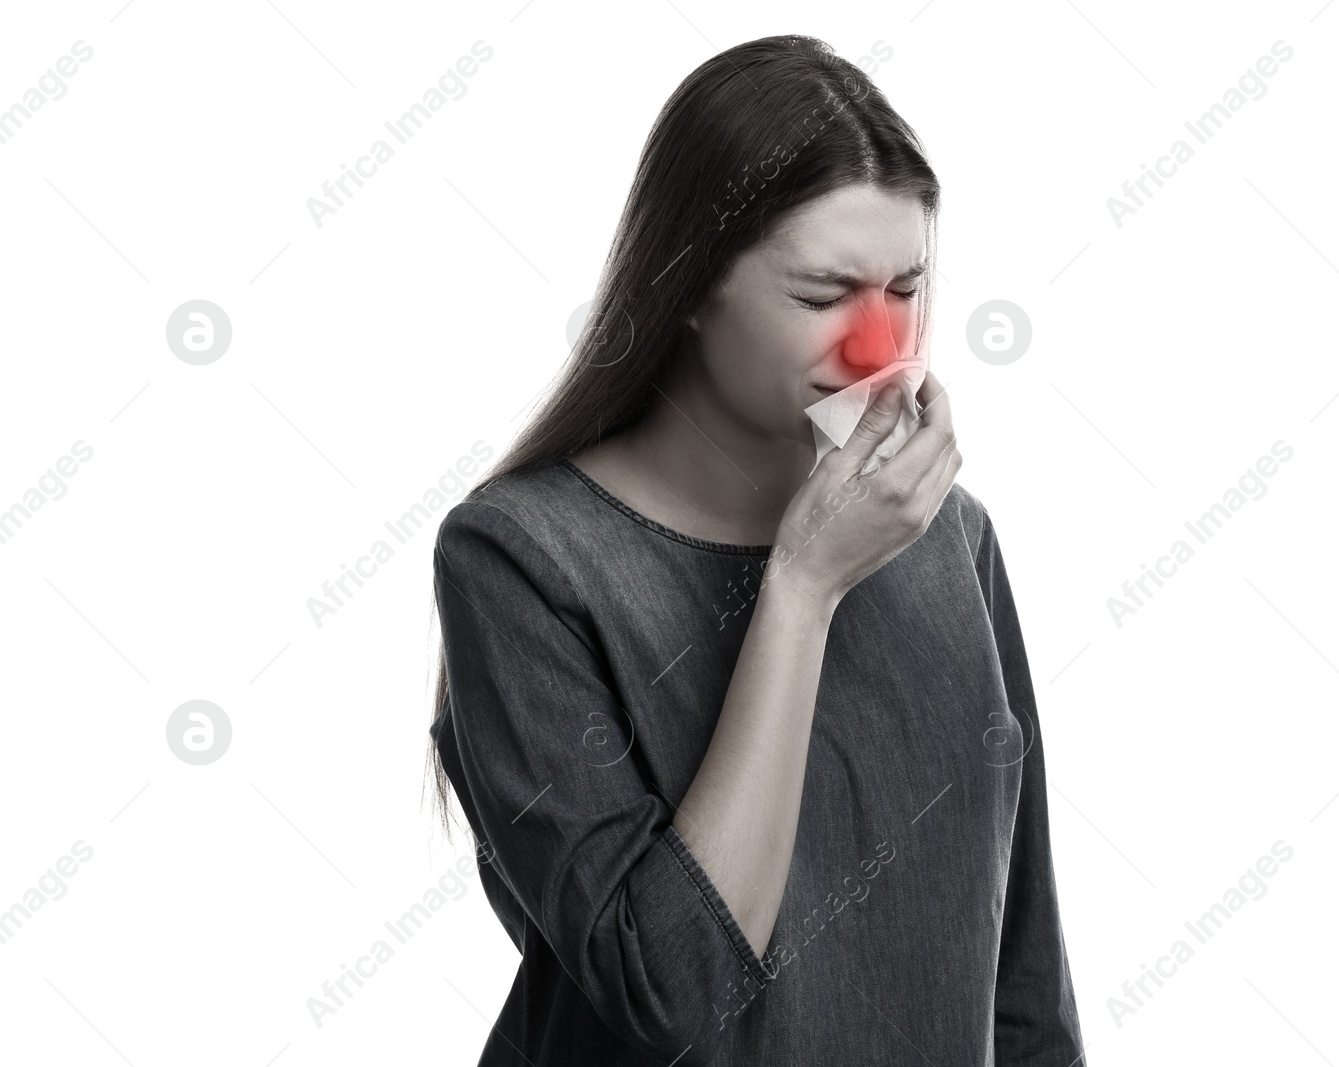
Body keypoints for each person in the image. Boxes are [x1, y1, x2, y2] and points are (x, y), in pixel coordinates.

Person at [426, 33, 1087, 1066]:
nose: (881, 348)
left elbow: (1025, 978)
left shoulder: (950, 534)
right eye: (821, 296)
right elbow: (671, 990)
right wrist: (802, 585)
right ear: (687, 287)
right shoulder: (518, 560)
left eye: (906, 287)